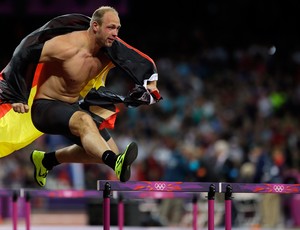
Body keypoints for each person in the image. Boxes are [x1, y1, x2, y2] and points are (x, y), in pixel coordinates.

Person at [0, 6, 161, 187]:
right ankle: (114, 161)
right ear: (95, 26)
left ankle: (46, 160)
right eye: (110, 27)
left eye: (118, 28)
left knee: (106, 150)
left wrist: (150, 87)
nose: (115, 33)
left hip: (73, 106)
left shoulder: (110, 51)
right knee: (86, 123)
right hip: (45, 107)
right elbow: (24, 53)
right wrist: (15, 95)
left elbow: (138, 59)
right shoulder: (66, 46)